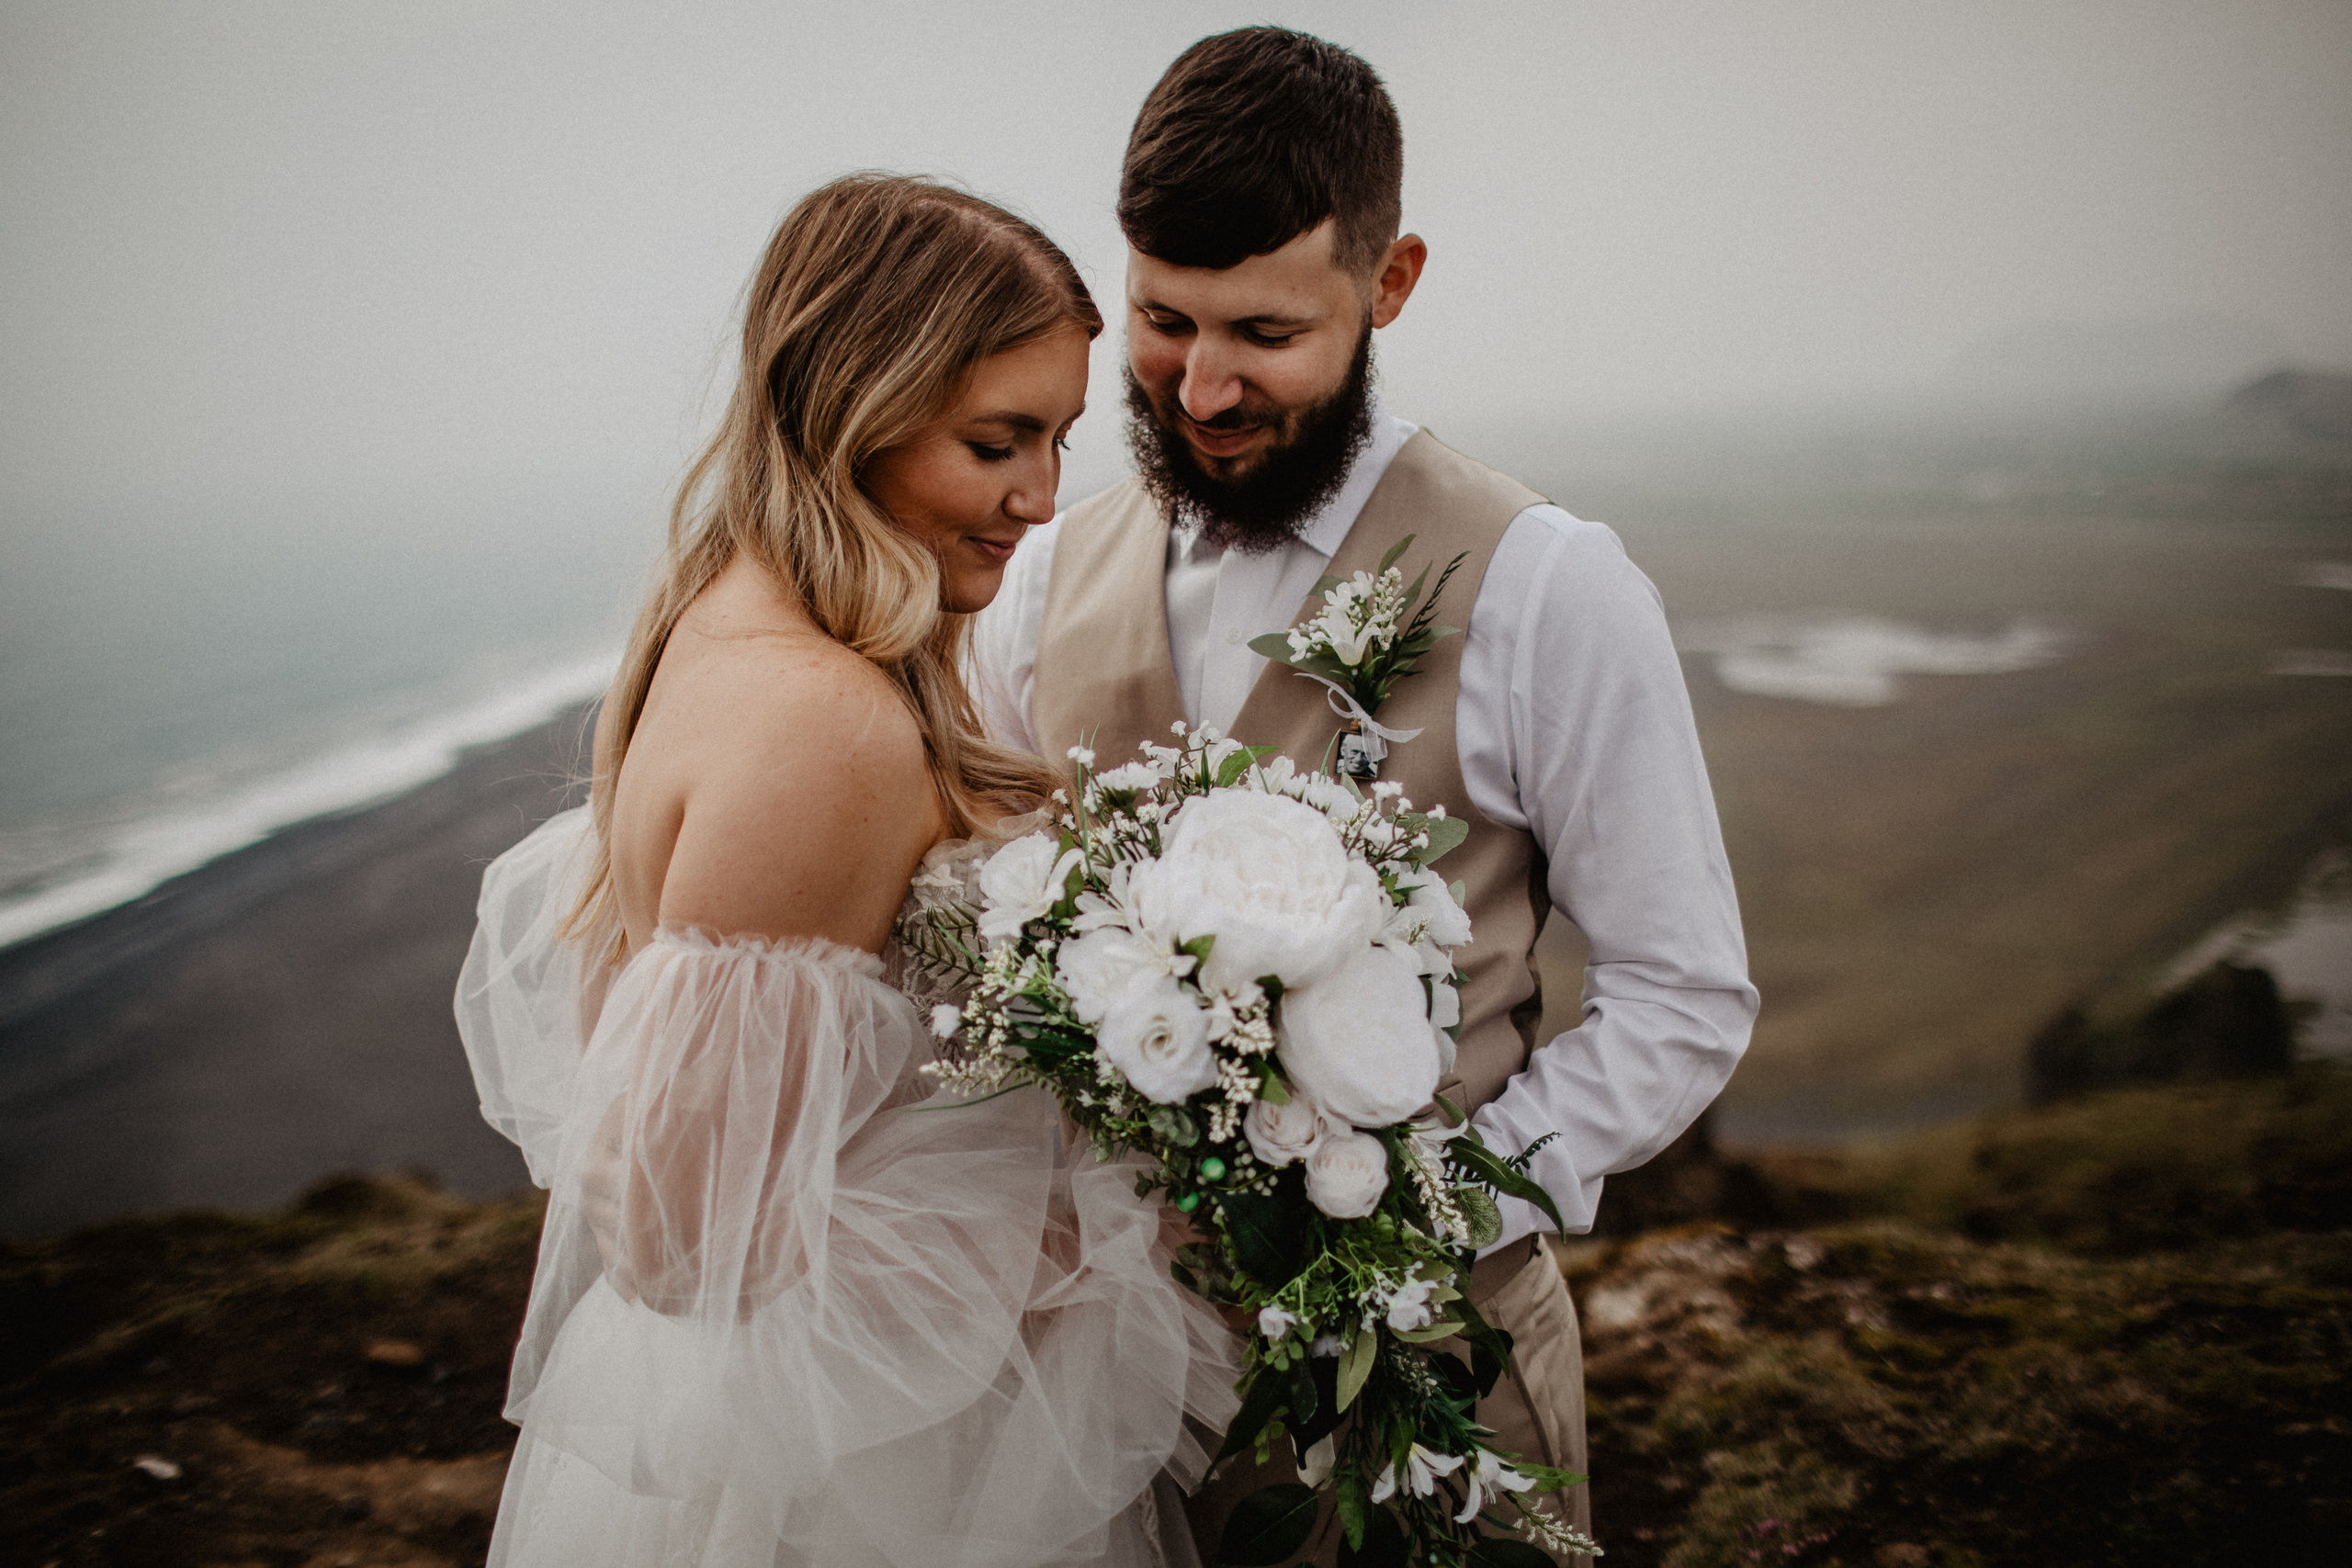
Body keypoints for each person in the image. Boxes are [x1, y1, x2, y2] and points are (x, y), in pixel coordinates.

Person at [970, 28, 1760, 1563]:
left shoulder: (1548, 587)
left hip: (1434, 1382)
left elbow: (1684, 993)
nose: (1199, 386)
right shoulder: (1047, 575)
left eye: (1261, 331)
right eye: (1160, 321)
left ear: (1388, 284)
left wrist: (1433, 1212)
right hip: (1098, 1397)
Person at [454, 174, 1237, 1568]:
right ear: (854, 406)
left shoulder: (727, 615)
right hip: (864, 1486)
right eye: (998, 441)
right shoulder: (826, 726)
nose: (1040, 499)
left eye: (1058, 440)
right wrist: (1078, 1238)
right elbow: (674, 1237)